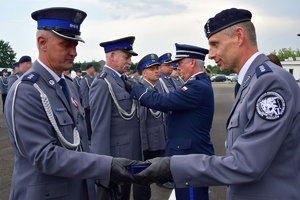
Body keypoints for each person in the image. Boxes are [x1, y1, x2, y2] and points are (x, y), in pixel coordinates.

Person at [133, 8, 300, 200]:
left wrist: (174, 165)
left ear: (239, 36)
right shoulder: (250, 81)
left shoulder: (269, 82)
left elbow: (247, 164)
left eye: (215, 44)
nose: (210, 55)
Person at [4, 7, 141, 200]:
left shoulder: (67, 85)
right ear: (42, 42)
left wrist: (106, 169)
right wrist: (105, 167)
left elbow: (80, 143)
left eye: (75, 45)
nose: (74, 52)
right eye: (66, 44)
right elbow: (45, 156)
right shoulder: (26, 91)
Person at [126, 43, 215, 200]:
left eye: (180, 63)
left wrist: (136, 89)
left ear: (192, 62)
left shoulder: (196, 87)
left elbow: (162, 101)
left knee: (191, 196)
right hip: (189, 155)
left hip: (189, 157)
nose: (177, 67)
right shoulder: (199, 83)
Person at [90, 36, 142, 200]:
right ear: (112, 56)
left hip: (128, 158)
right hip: (115, 162)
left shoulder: (123, 81)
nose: (130, 61)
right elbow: (99, 130)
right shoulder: (102, 84)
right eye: (126, 57)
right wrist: (103, 170)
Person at [132, 54, 166, 200]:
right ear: (144, 73)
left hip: (158, 140)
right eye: (152, 68)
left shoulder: (156, 87)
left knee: (150, 177)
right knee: (143, 179)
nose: (157, 71)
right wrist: (143, 147)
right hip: (149, 144)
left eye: (158, 67)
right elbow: (142, 121)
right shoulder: (141, 90)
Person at [80, 63, 95, 141]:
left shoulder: (93, 78)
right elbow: (84, 92)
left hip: (94, 104)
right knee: (88, 122)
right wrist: (87, 104)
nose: (93, 70)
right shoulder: (84, 79)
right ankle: (89, 137)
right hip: (88, 105)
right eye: (92, 68)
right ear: (88, 69)